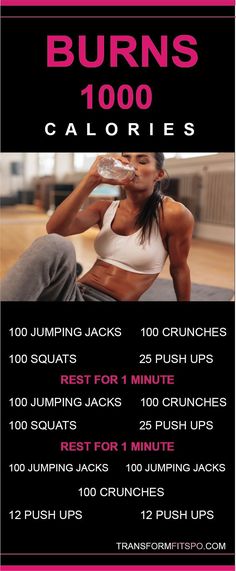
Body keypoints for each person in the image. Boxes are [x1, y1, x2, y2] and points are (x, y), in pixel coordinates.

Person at [0, 153, 194, 302]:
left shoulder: (173, 214)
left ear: (158, 174)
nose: (132, 165)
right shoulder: (104, 208)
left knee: (64, 257)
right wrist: (91, 179)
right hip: (74, 294)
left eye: (142, 161)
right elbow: (56, 229)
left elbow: (179, 269)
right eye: (126, 159)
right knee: (55, 244)